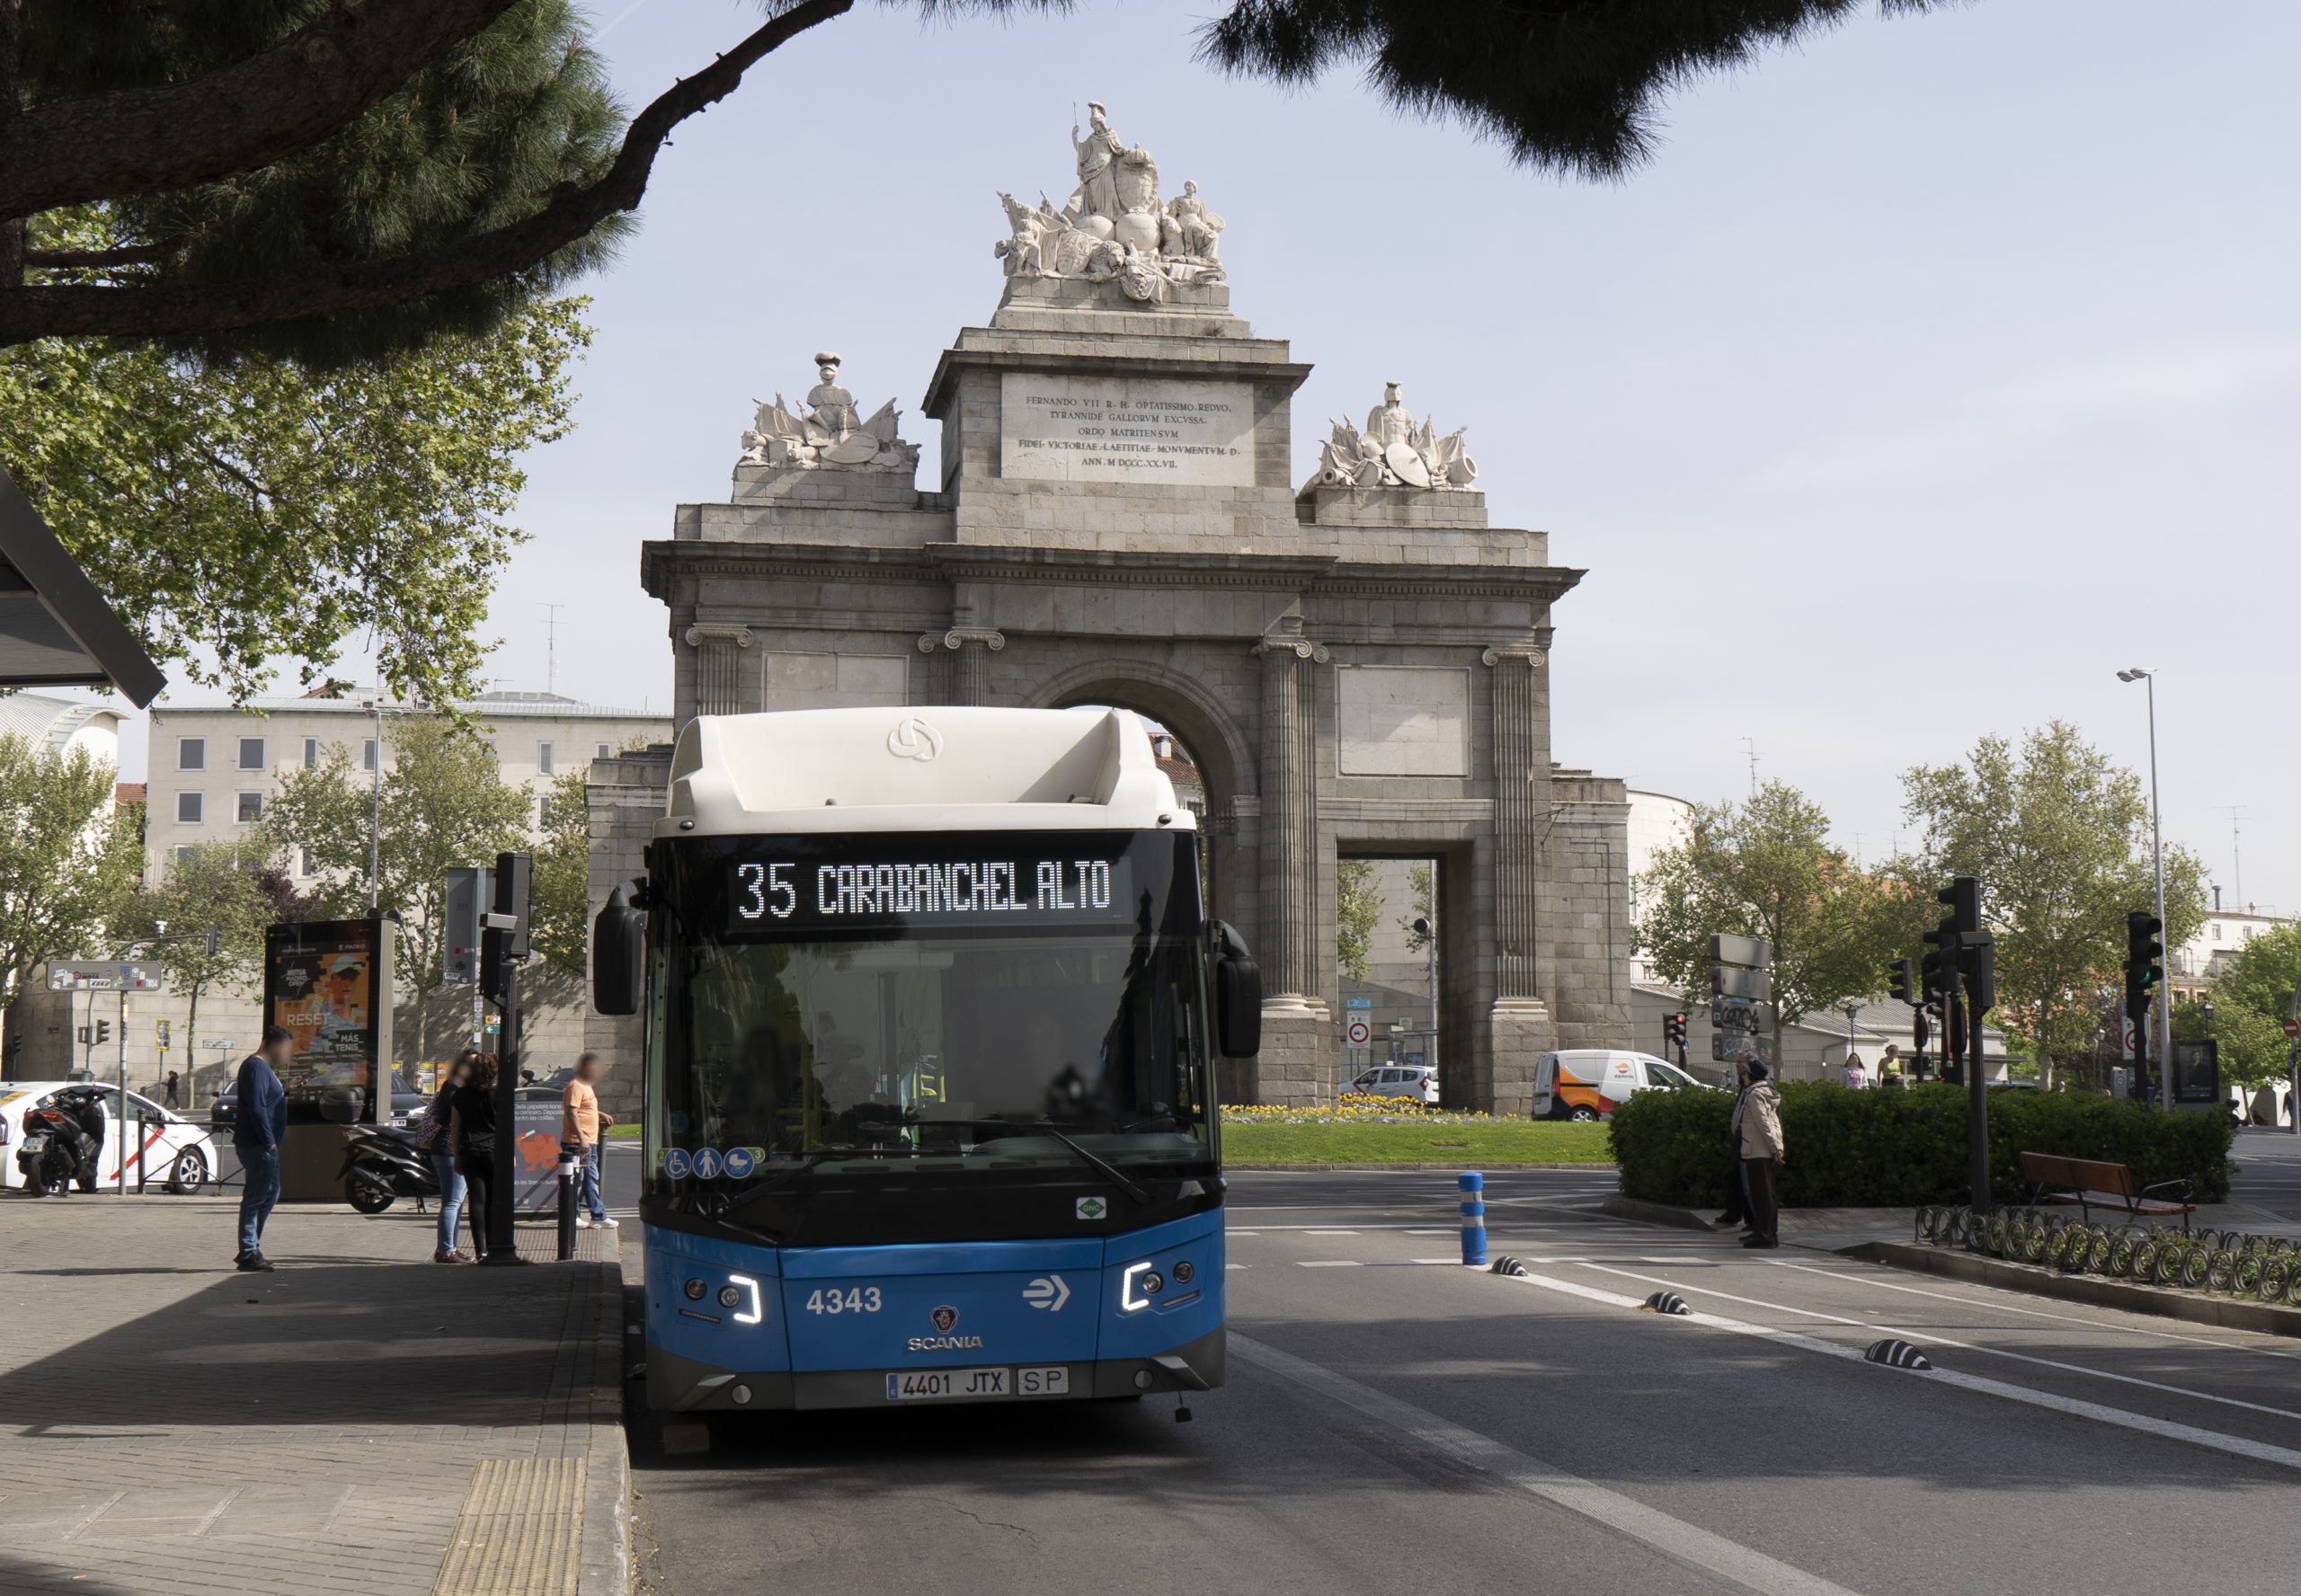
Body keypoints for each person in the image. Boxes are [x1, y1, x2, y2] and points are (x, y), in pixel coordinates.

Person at [233, 1026, 292, 1272]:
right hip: (259, 1144)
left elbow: (264, 1101)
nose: (287, 1055)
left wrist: (286, 1089)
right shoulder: (256, 1067)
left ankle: (251, 1247)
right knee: (256, 1197)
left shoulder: (263, 1069)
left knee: (269, 1193)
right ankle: (248, 1251)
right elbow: (257, 1107)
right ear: (274, 1045)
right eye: (286, 1049)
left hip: (264, 1144)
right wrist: (268, 1140)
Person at [417, 1053, 476, 1263]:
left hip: (451, 1149)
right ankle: (445, 1250)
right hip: (447, 1149)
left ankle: (450, 1247)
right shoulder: (453, 1087)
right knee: (452, 1201)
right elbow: (463, 1114)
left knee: (457, 1201)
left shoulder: (458, 1086)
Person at [449, 1054, 501, 1264]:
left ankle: (480, 1251)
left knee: (477, 1201)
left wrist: (456, 1155)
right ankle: (494, 1245)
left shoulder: (460, 1095)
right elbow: (507, 1125)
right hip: (494, 1151)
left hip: (470, 1150)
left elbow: (455, 1127)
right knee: (493, 1201)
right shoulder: (498, 1094)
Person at [562, 1052, 617, 1229]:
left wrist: (600, 1114)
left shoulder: (586, 1086)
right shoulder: (576, 1086)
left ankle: (598, 1215)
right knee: (577, 1180)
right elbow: (572, 1112)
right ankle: (573, 1216)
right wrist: (582, 1139)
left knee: (589, 1178)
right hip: (578, 1143)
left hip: (588, 1143)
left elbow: (584, 1109)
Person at [1737, 1054, 1785, 1250]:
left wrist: (1774, 1148)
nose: (1742, 1074)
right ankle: (1768, 1233)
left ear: (1750, 1075)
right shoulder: (1764, 1092)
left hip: (1758, 1151)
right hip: (1763, 1150)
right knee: (1768, 1196)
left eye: (1745, 1072)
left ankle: (1764, 1236)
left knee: (1762, 1196)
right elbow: (1773, 1124)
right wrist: (1777, 1147)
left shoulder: (1756, 1095)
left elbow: (1764, 1124)